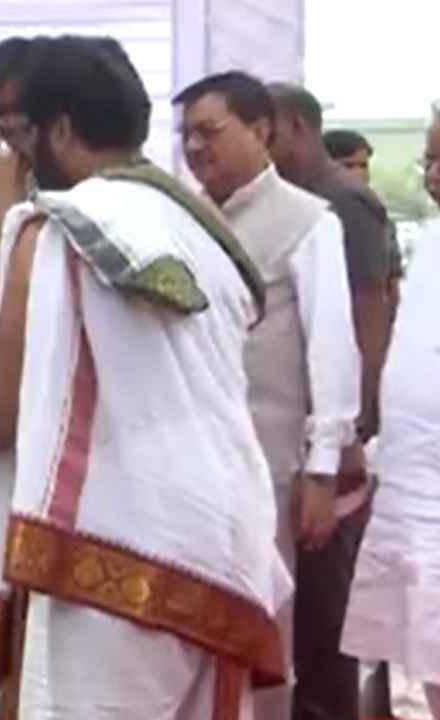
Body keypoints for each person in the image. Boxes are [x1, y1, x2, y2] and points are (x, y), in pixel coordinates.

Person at [0, 35, 290, 719]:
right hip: (225, 533)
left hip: (113, 544)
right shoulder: (201, 228)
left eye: (29, 134)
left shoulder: (56, 230)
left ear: (59, 129)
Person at [173, 70, 364, 720]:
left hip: (270, 463)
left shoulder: (307, 222)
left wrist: (322, 469)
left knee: (264, 632)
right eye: (186, 135)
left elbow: (332, 348)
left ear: (260, 130)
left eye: (210, 132)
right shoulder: (185, 217)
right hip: (191, 462)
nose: (195, 148)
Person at [266, 81, 391, 720]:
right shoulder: (293, 205)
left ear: (296, 126)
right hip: (302, 434)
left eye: (267, 129)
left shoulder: (343, 203)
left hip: (337, 442)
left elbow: (370, 310)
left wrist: (352, 430)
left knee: (327, 615)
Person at [342, 105, 440, 720]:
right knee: (416, 648)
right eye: (430, 158)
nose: (433, 173)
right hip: (413, 487)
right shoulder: (431, 241)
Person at [325, 127, 405, 321]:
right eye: (348, 165)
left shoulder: (376, 214)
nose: (358, 173)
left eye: (363, 165)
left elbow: (393, 279)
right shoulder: (317, 215)